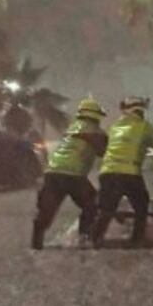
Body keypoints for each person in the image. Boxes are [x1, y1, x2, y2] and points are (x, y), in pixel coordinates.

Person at [31, 98, 108, 250]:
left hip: (53, 171)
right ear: (96, 116)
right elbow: (103, 152)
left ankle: (36, 243)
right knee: (92, 204)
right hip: (74, 174)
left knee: (47, 209)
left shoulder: (71, 128)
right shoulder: (97, 132)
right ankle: (84, 236)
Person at [90, 96, 153, 248]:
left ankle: (94, 239)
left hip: (108, 172)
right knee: (141, 206)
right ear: (141, 111)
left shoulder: (115, 126)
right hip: (130, 173)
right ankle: (137, 240)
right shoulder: (144, 127)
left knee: (106, 209)